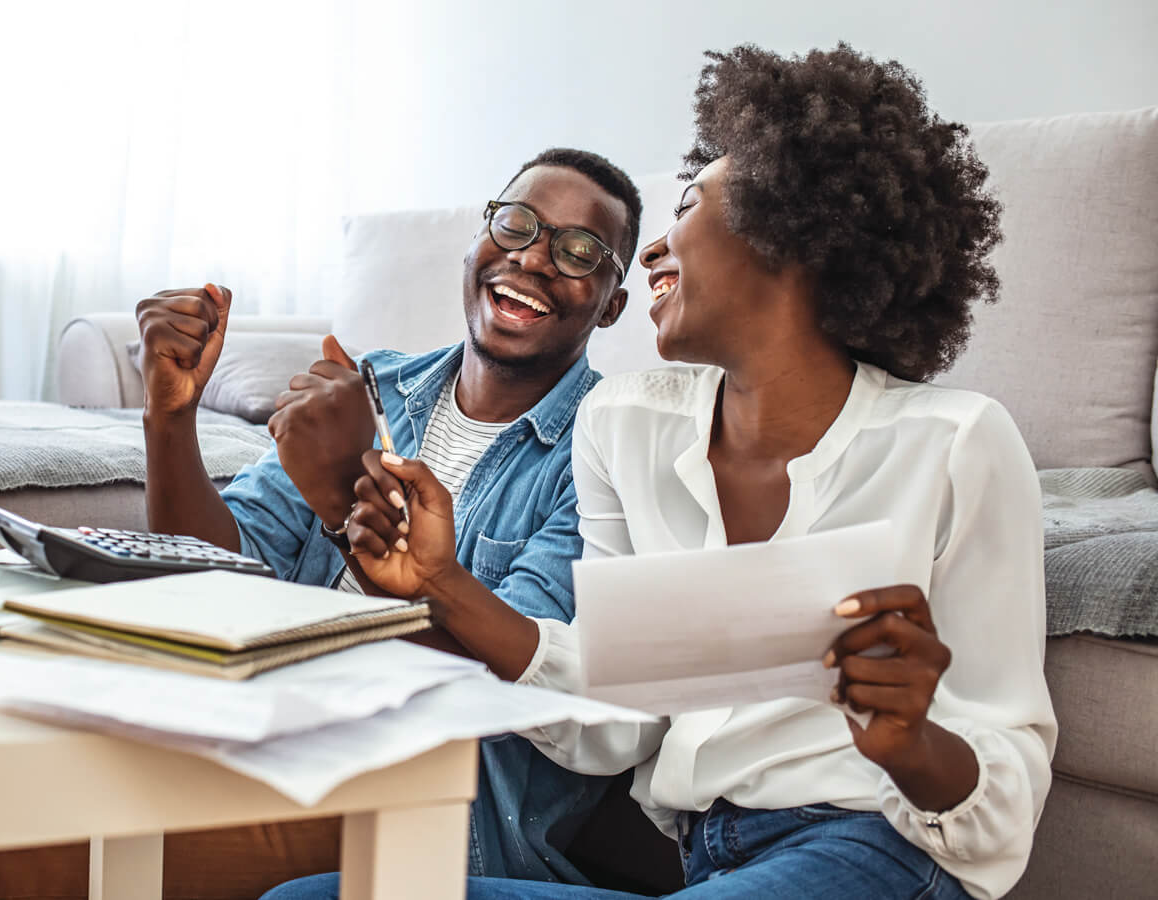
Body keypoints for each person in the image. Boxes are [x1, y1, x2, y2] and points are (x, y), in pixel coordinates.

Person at [266, 44, 1055, 900]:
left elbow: (1004, 785)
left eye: (687, 207)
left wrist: (910, 744)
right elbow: (617, 716)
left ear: (787, 234)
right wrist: (442, 584)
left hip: (879, 848)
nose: (650, 254)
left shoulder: (956, 443)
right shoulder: (626, 426)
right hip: (704, 864)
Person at [136, 146, 643, 887]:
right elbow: (211, 567)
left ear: (612, 305)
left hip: (410, 805)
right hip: (252, 733)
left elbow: (509, 675)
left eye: (577, 251)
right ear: (478, 241)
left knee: (32, 847)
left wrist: (345, 508)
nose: (533, 258)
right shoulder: (377, 387)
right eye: (516, 224)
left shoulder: (605, 448)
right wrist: (168, 416)